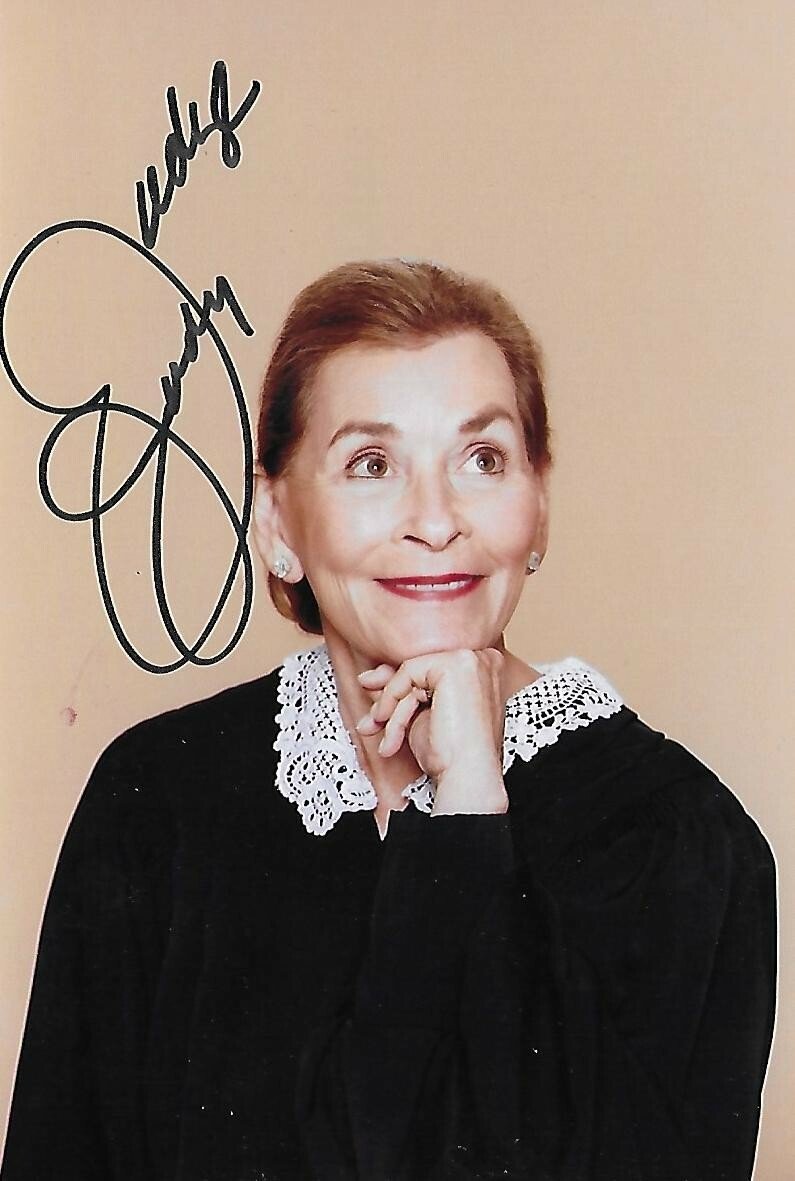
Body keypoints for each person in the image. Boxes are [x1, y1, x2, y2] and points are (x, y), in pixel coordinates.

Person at [2, 260, 776, 1181]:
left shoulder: (682, 841)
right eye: (371, 465)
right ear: (277, 522)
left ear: (537, 506)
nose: (435, 521)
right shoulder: (158, 798)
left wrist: (467, 808)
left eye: (481, 459)